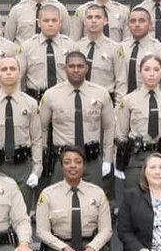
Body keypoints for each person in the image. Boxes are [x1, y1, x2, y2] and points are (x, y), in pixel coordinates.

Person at [0, 54, 43, 208]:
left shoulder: (30, 104)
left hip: (23, 167)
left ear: (19, 72)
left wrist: (36, 170)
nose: (9, 72)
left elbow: (37, 140)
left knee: (22, 217)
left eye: (13, 69)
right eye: (4, 69)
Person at [40, 51, 115, 191]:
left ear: (87, 68)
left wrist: (107, 159)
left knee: (94, 203)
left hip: (91, 161)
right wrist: (42, 159)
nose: (76, 70)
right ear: (65, 68)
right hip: (63, 161)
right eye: (71, 66)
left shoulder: (101, 93)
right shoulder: (51, 95)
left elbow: (109, 127)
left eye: (80, 66)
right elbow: (42, 128)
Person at [115, 55, 161, 185]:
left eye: (156, 70)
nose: (152, 74)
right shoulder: (128, 100)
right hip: (137, 157)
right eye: (147, 69)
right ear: (140, 72)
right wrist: (119, 162)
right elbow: (121, 135)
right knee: (136, 199)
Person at [19, 4, 75, 100]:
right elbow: (19, 77)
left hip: (64, 99)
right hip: (36, 99)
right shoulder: (27, 46)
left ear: (60, 23)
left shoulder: (71, 46)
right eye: (46, 20)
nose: (50, 24)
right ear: (39, 23)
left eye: (54, 20)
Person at [115, 7, 161, 96]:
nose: (137, 24)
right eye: (133, 21)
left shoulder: (160, 49)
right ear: (128, 25)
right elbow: (118, 80)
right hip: (125, 102)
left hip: (151, 100)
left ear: (150, 25)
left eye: (142, 21)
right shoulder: (120, 48)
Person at [74, 3, 122, 90]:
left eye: (98, 17)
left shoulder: (115, 48)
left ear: (105, 21)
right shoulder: (77, 47)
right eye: (89, 17)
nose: (93, 21)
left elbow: (121, 82)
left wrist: (118, 103)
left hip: (105, 99)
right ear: (84, 21)